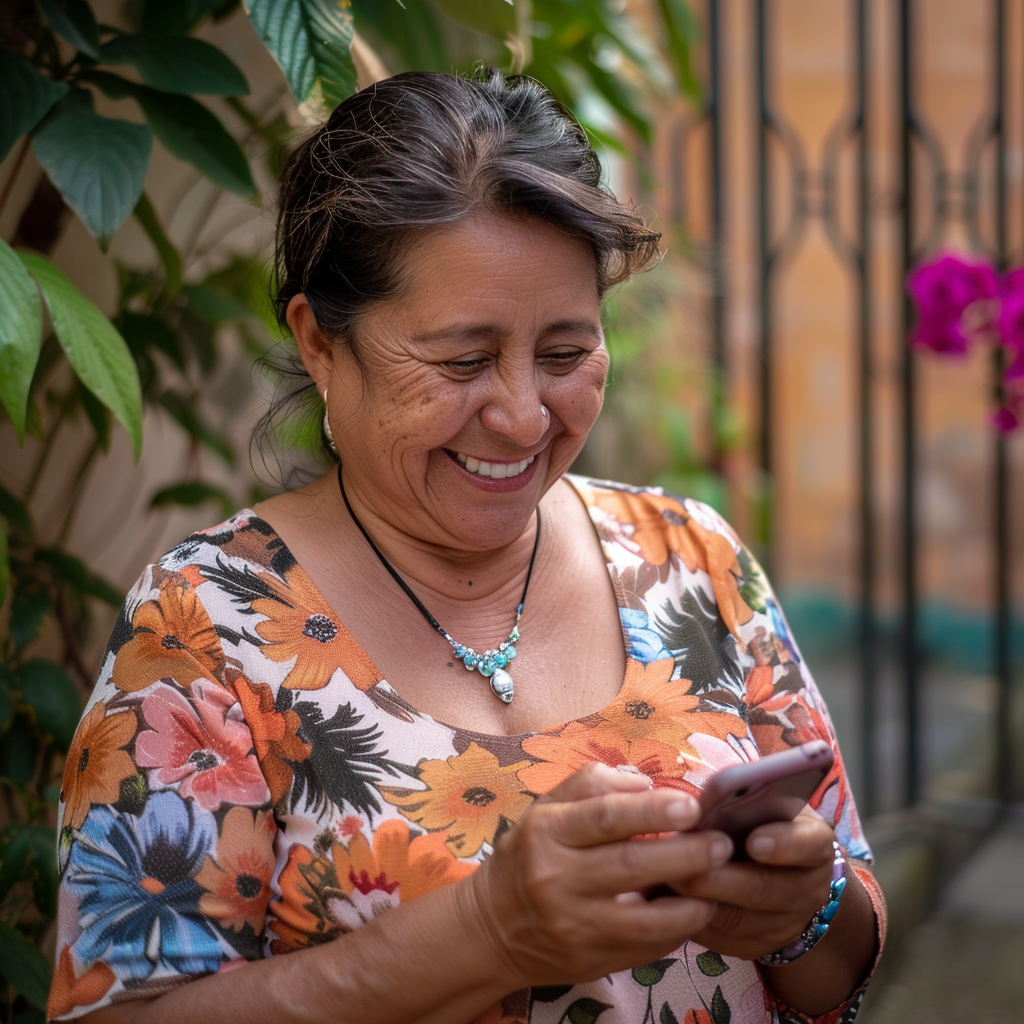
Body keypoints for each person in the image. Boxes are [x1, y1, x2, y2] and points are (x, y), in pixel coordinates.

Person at [49, 69, 884, 1024]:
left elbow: (845, 959)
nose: (525, 415)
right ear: (321, 343)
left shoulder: (693, 561)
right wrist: (488, 933)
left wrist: (798, 913)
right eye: (461, 361)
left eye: (566, 354)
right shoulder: (204, 631)